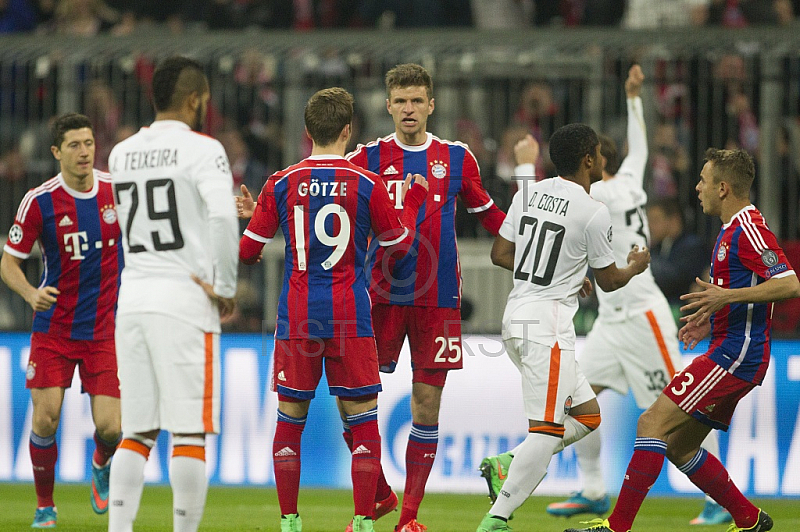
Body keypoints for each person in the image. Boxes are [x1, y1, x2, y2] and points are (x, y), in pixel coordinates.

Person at [482, 65, 731, 526]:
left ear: (598, 163)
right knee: (581, 405)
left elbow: (537, 219)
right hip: (608, 321)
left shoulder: (600, 197)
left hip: (641, 314)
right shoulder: (625, 184)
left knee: (679, 404)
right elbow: (638, 148)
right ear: (592, 161)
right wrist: (634, 100)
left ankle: (717, 498)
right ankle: (593, 490)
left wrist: (524, 169)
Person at [566, 148, 800, 532]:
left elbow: (789, 284)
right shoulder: (729, 230)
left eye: (704, 181)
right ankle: (748, 518)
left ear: (723, 188)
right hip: (730, 347)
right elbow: (748, 292)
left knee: (651, 423)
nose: (697, 188)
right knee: (679, 446)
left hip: (736, 355)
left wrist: (726, 298)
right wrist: (710, 320)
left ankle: (617, 527)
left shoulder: (749, 228)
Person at [238, 87, 429, 532]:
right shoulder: (367, 183)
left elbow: (249, 252)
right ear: (348, 130)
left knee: (290, 422)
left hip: (298, 316)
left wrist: (261, 220)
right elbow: (398, 248)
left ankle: (290, 521)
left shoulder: (281, 183)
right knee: (362, 422)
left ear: (307, 132)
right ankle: (363, 521)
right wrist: (415, 201)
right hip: (350, 315)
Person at [347, 63, 507, 532]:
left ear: (431, 105)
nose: (409, 109)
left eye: (418, 100)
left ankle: (410, 518)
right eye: (401, 101)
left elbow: (491, 216)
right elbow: (327, 188)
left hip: (437, 299)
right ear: (389, 104)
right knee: (351, 395)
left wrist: (539, 256)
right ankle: (376, 489)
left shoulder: (457, 158)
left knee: (426, 406)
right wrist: (269, 208)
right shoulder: (368, 157)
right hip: (381, 294)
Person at [474, 123, 650, 532]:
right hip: (547, 329)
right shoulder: (593, 211)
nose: (604, 159)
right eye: (600, 153)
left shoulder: (531, 193)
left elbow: (501, 253)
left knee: (588, 416)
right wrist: (635, 266)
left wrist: (565, 273)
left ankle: (509, 464)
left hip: (515, 318)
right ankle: (496, 519)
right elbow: (609, 280)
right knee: (548, 429)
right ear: (589, 159)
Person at [106, 56, 238, 532]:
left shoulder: (121, 153)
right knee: (188, 430)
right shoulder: (204, 149)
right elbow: (223, 217)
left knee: (137, 430)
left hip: (134, 296)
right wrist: (223, 286)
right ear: (194, 100)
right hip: (184, 301)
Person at [0, 112, 122, 528]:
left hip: (103, 329)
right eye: (74, 145)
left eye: (88, 142)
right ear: (56, 152)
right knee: (46, 417)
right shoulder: (39, 201)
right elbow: (8, 263)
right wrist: (31, 293)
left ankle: (101, 462)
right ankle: (45, 506)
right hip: (54, 328)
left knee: (112, 428)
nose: (84, 151)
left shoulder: (117, 191)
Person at [648, 198, 709, 305]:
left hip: (683, 308)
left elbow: (671, 279)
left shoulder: (692, 245)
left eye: (655, 220)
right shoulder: (658, 246)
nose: (650, 226)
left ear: (674, 220)